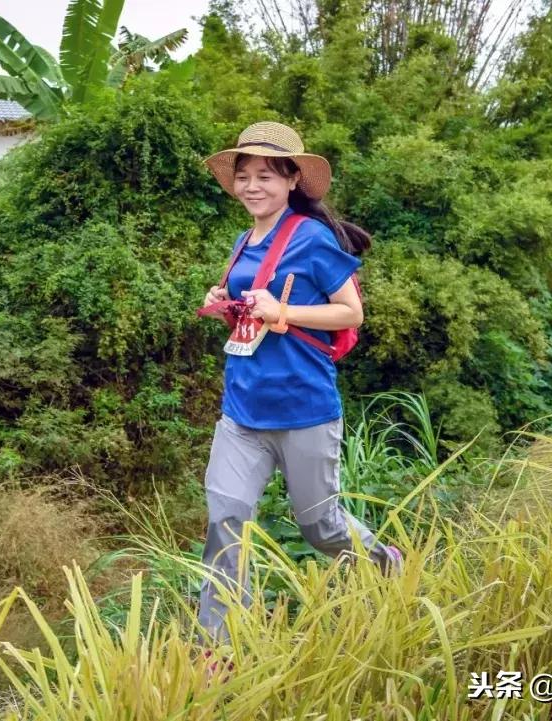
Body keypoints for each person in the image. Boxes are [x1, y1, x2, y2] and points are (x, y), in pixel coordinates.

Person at [197, 121, 403, 648]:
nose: (252, 186)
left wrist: (284, 310)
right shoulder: (245, 239)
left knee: (322, 528)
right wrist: (228, 301)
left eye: (266, 175)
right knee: (226, 519)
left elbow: (349, 311)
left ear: (292, 180)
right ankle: (220, 646)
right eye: (243, 176)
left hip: (304, 409)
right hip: (242, 410)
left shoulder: (311, 238)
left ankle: (386, 565)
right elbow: (254, 306)